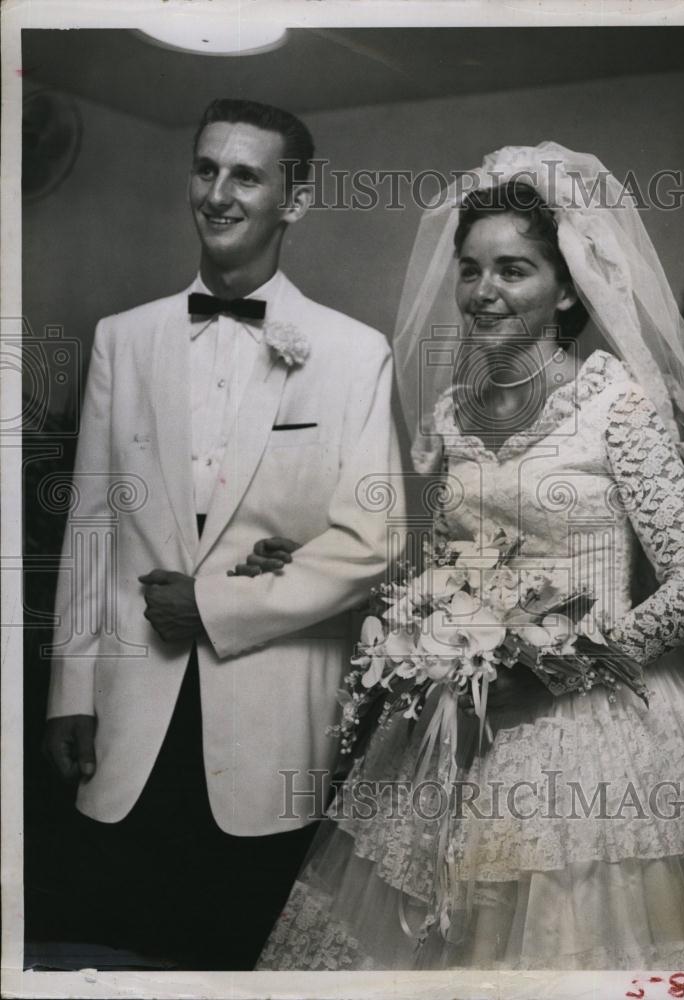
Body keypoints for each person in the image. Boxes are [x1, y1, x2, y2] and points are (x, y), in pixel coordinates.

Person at [252, 143, 684, 970]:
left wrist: (559, 667)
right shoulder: (451, 411)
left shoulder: (614, 401)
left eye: (513, 269)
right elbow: (443, 564)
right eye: (470, 270)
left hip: (599, 732)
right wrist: (310, 565)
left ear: (568, 286)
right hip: (455, 729)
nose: (484, 293)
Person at [42, 98, 403, 970]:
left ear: (296, 199)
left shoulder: (355, 353)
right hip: (129, 716)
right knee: (117, 953)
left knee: (240, 956)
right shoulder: (122, 340)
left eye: (246, 174)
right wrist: (70, 690)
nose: (218, 192)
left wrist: (211, 605)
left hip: (272, 723)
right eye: (205, 169)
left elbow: (372, 541)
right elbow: (92, 524)